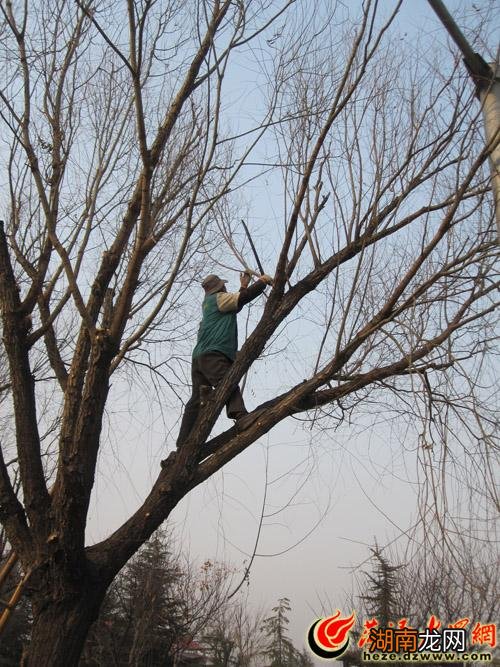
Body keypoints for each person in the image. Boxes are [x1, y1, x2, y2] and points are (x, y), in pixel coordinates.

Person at [176, 271, 273, 447]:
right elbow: (242, 299)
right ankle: (241, 417)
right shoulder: (218, 299)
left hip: (200, 358)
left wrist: (244, 285)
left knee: (196, 399)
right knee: (227, 383)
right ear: (220, 287)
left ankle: (183, 442)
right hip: (214, 353)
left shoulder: (210, 303)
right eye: (223, 285)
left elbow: (235, 303)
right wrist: (262, 282)